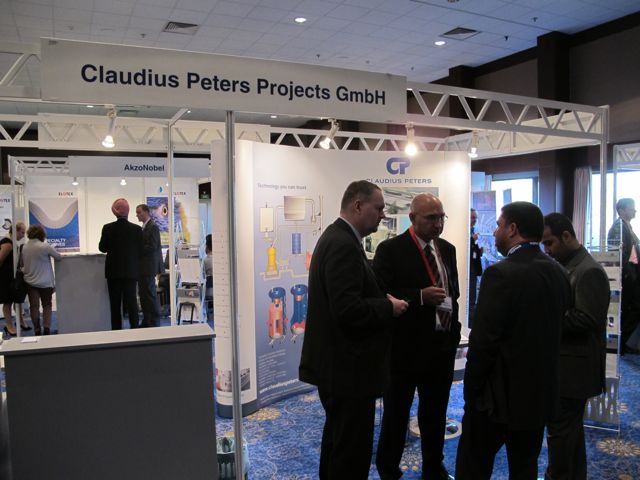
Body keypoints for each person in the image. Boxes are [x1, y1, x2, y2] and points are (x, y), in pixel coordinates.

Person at [298, 180, 408, 480]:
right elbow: (347, 309)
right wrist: (388, 308)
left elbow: (349, 295)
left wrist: (379, 298)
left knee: (339, 442)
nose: (383, 215)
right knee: (351, 452)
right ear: (358, 206)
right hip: (348, 370)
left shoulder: (339, 238)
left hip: (340, 368)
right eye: (379, 208)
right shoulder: (343, 244)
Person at [455, 201, 571, 480]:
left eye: (498, 225)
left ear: (513, 229)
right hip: (538, 395)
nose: (495, 232)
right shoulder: (559, 272)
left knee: (473, 466)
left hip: (497, 399)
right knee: (524, 467)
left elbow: (484, 342)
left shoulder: (500, 274)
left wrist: (471, 392)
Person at [373, 193, 460, 480]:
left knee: (435, 414)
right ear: (412, 218)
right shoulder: (391, 250)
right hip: (404, 349)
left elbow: (453, 294)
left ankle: (434, 468)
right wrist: (419, 296)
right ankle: (388, 470)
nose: (438, 224)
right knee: (396, 415)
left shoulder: (447, 249)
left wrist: (453, 334)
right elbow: (380, 294)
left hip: (441, 348)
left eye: (441, 217)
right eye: (431, 218)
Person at [542, 213, 609, 480]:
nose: (547, 250)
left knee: (561, 433)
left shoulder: (588, 270)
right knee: (569, 433)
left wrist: (546, 316)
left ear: (567, 236)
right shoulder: (569, 265)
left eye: (550, 243)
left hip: (575, 369)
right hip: (568, 365)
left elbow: (587, 319)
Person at [99, 198, 142, 330]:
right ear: (128, 211)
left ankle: (117, 332)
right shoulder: (136, 229)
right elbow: (141, 250)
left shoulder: (107, 228)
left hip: (113, 273)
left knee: (115, 305)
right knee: (132, 303)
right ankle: (135, 329)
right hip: (131, 272)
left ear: (115, 212)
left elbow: (102, 248)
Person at [606, 198, 640, 353]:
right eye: (632, 208)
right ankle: (623, 344)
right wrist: (629, 275)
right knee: (628, 309)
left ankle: (626, 343)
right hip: (626, 278)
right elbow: (617, 256)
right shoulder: (618, 228)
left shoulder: (627, 227)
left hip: (632, 276)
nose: (635, 211)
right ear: (621, 211)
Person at [22, 224, 63, 336]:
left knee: (34, 306)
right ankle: (46, 328)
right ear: (42, 234)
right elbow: (58, 257)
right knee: (47, 305)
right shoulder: (45, 246)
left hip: (30, 282)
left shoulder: (25, 247)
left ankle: (37, 329)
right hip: (45, 282)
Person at [136, 204, 164, 328]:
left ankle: (154, 320)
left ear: (146, 212)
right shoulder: (145, 227)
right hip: (144, 267)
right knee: (144, 294)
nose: (137, 215)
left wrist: (137, 249)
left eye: (139, 212)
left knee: (149, 294)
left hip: (149, 267)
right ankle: (147, 320)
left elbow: (152, 246)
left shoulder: (153, 227)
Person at [0, 222, 29, 336]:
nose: (23, 235)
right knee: (7, 302)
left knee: (17, 299)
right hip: (5, 278)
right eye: (22, 232)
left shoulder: (12, 243)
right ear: (15, 231)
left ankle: (20, 321)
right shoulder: (8, 243)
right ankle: (9, 325)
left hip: (12, 277)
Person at [469, 208, 483, 327]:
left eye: (475, 217)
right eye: (472, 217)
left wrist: (479, 252)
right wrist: (471, 240)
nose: (474, 220)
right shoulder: (467, 233)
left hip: (473, 268)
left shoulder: (472, 231)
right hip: (469, 269)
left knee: (473, 297)